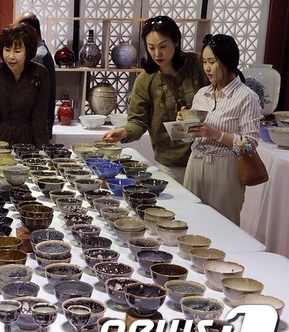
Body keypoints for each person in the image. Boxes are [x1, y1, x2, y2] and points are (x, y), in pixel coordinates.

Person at [101, 16, 208, 183]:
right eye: (151, 48)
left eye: (163, 46)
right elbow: (137, 121)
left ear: (177, 41)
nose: (157, 54)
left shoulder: (198, 64)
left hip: (206, 158)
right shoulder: (146, 80)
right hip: (170, 163)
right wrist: (124, 132)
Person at [180, 34, 261, 225]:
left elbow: (250, 143)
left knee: (223, 226)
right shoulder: (202, 94)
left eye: (212, 62)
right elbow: (189, 138)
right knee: (189, 223)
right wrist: (184, 125)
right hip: (195, 163)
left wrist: (215, 134)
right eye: (204, 62)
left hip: (226, 168)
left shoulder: (246, 97)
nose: (207, 68)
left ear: (228, 62)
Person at [0, 22, 50, 148]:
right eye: (7, 50)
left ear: (28, 51)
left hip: (27, 143)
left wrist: (46, 154)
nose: (11, 56)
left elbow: (40, 121)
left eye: (17, 51)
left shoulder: (40, 73)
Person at [16, 12, 56, 139]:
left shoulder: (37, 57)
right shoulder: (41, 52)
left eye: (18, 30)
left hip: (33, 131)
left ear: (30, 30)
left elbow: (28, 99)